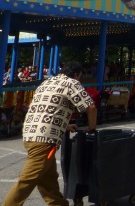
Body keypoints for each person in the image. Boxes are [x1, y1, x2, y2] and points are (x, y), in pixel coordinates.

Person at [3, 61, 97, 206]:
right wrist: (92, 127)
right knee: (27, 180)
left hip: (30, 134)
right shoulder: (72, 83)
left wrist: (64, 127)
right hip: (44, 139)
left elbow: (47, 110)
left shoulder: (47, 82)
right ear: (77, 74)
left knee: (48, 178)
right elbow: (90, 107)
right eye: (80, 76)